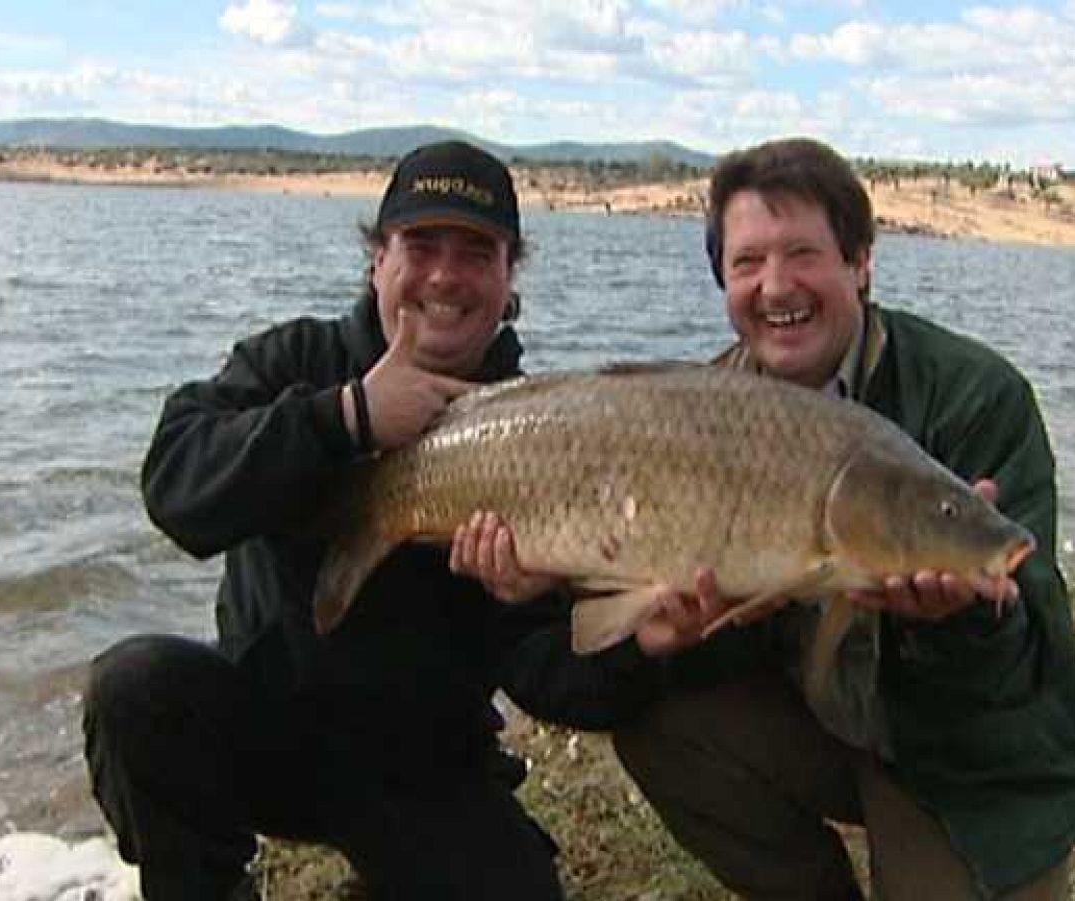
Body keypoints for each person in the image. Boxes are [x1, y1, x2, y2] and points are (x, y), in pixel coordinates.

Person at [455, 137, 1075, 900]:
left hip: (974, 755)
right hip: (821, 722)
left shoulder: (974, 397)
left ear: (860, 260)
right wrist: (619, 623)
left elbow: (1031, 655)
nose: (776, 285)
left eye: (803, 253)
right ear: (723, 282)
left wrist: (959, 623)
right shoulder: (709, 406)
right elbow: (597, 646)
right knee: (665, 724)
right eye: (747, 263)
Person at [82, 140, 662, 901]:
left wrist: (639, 640)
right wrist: (344, 416)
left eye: (477, 252)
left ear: (508, 276)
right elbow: (175, 485)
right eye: (420, 246)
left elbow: (556, 683)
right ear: (377, 260)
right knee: (134, 687)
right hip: (265, 733)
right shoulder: (295, 361)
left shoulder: (542, 429)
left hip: (425, 769)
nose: (445, 276)